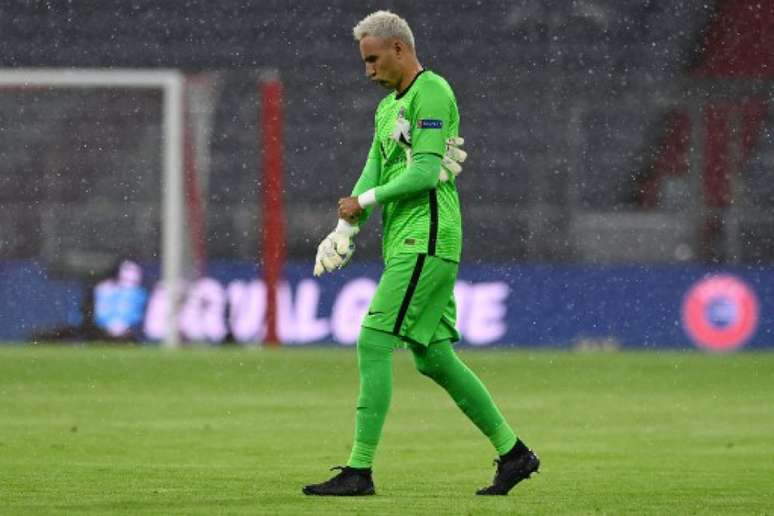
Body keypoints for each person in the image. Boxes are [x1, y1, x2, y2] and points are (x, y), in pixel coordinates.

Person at [304, 10, 539, 497]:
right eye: (363, 61)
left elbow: (426, 174)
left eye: (373, 60)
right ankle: (514, 453)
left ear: (398, 49)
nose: (368, 70)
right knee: (433, 358)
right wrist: (346, 227)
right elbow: (376, 166)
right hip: (408, 239)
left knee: (372, 340)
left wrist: (364, 202)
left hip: (427, 236)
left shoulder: (432, 91)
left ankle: (359, 471)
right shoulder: (388, 108)